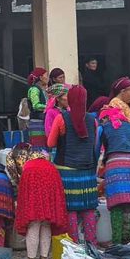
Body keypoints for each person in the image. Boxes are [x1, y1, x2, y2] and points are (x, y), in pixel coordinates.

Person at [47, 85, 99, 245]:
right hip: (88, 171)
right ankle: (91, 244)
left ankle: (73, 244)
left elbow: (50, 143)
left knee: (70, 209)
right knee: (88, 208)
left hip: (66, 171)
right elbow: (95, 144)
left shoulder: (61, 118)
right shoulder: (93, 120)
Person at [97, 105, 130, 244]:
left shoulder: (103, 128)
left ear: (105, 118)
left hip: (117, 163)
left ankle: (116, 241)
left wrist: (95, 168)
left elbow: (96, 149)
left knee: (117, 203)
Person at [15, 146, 68, 259]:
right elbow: (57, 189)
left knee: (33, 226)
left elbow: (23, 191)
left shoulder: (28, 167)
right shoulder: (51, 167)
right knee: (46, 225)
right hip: (48, 201)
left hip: (33, 202)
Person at [25, 68, 49, 151]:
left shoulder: (41, 89)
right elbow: (36, 105)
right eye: (46, 76)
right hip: (37, 122)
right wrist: (48, 106)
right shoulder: (34, 89)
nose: (48, 78)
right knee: (38, 147)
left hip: (42, 120)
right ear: (41, 77)